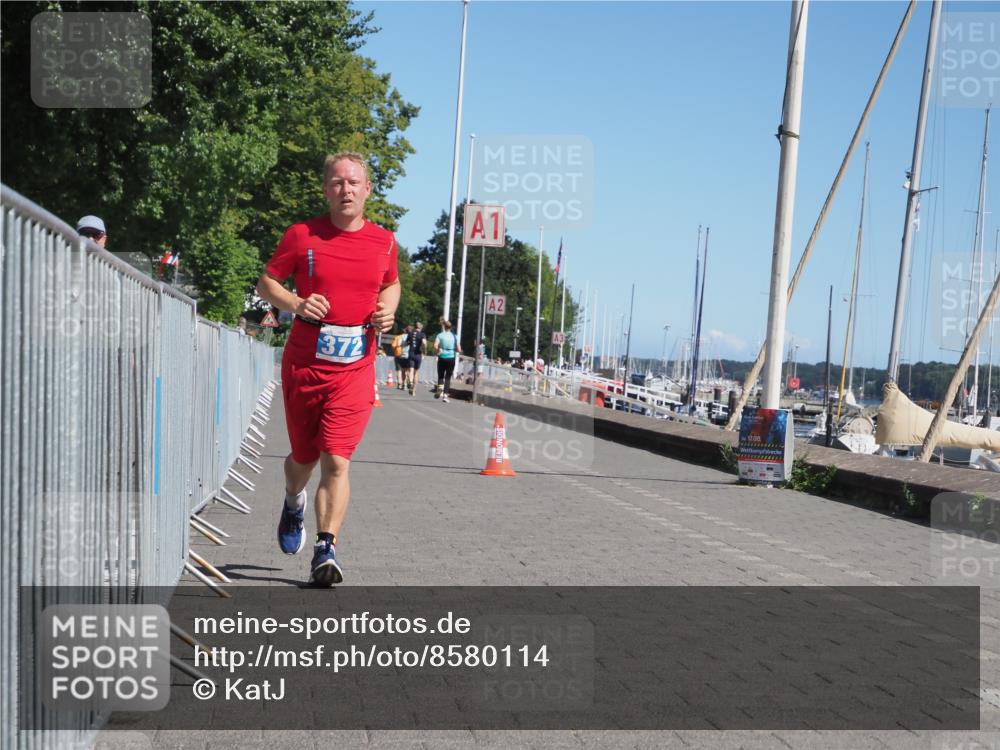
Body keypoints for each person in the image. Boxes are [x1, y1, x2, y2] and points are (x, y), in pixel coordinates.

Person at [255, 151, 400, 587]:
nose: (346, 190)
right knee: (303, 458)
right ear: (326, 189)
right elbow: (267, 282)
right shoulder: (302, 235)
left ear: (367, 189)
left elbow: (391, 283)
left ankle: (325, 548)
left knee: (336, 459)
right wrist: (297, 304)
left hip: (355, 369)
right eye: (337, 183)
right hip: (305, 366)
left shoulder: (384, 241)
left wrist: (386, 312)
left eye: (354, 183)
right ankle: (293, 500)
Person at [433, 320, 461, 402]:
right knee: (448, 377)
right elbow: (459, 349)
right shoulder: (455, 336)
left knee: (441, 375)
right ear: (451, 328)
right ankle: (445, 395)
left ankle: (440, 389)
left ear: (444, 327)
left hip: (442, 356)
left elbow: (435, 345)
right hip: (451, 357)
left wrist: (439, 349)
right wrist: (453, 349)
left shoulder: (440, 335)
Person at [405, 321, 426, 394]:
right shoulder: (422, 334)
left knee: (411, 370)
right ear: (421, 327)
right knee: (416, 372)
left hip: (411, 353)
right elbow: (424, 342)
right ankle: (413, 390)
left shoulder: (410, 334)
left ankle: (410, 382)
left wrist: (410, 343)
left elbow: (406, 343)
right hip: (418, 354)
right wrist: (424, 350)